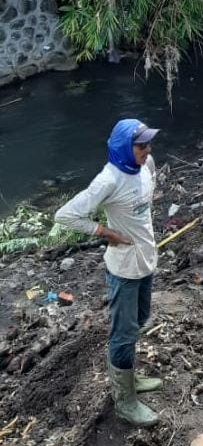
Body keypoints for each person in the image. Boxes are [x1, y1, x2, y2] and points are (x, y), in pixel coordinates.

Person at [55, 119, 161, 427]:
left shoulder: (147, 164)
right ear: (123, 148)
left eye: (148, 143)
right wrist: (104, 231)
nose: (148, 149)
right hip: (124, 269)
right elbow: (65, 215)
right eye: (141, 145)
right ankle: (124, 400)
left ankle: (131, 377)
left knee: (140, 320)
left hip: (145, 260)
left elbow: (144, 203)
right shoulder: (108, 180)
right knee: (123, 334)